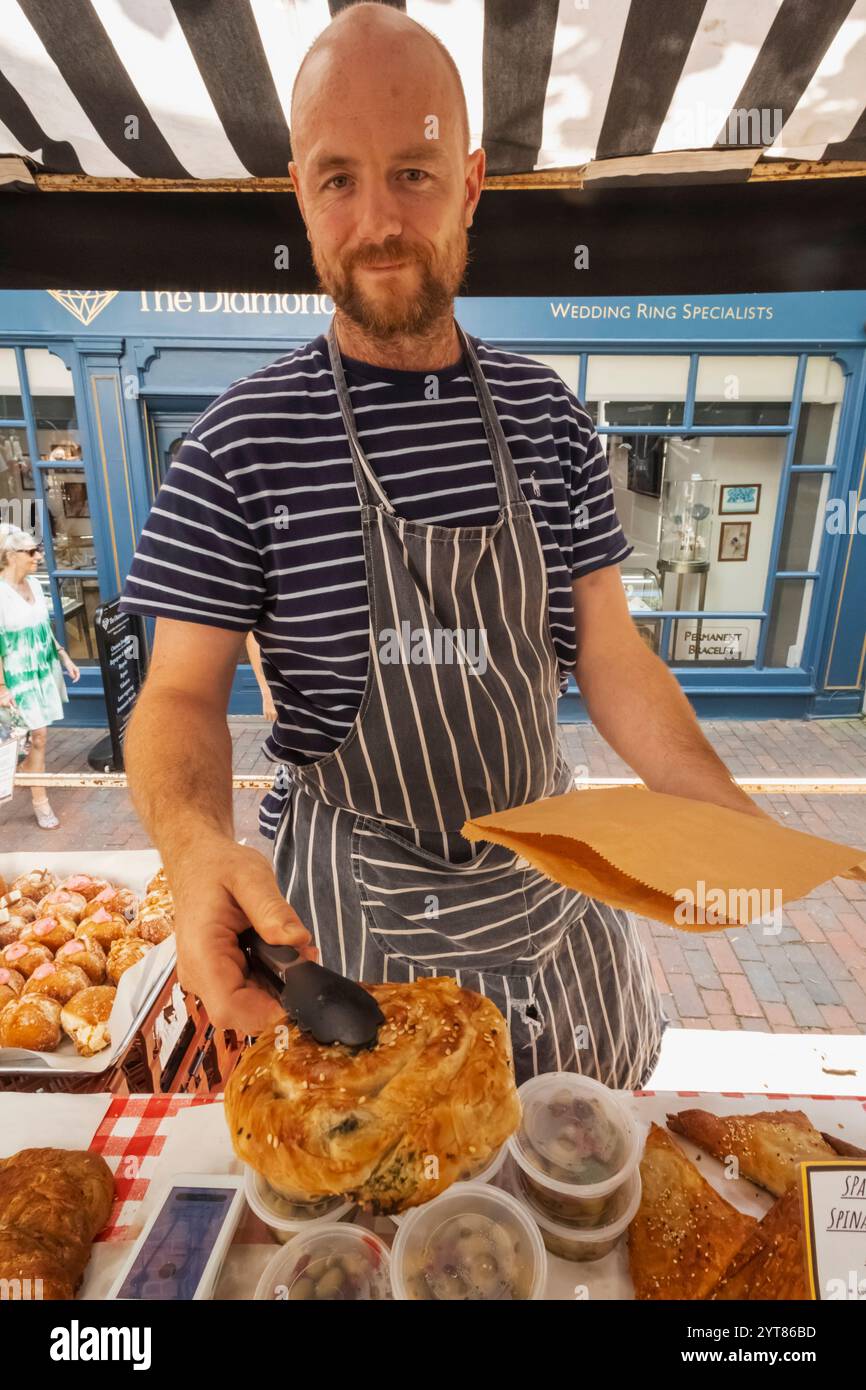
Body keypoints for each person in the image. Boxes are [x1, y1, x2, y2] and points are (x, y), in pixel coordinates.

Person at [120, 4, 768, 1086]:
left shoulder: (549, 418)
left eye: (412, 172)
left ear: (469, 183)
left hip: (543, 907)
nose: (376, 218)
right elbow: (178, 696)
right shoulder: (237, 443)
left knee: (578, 1202)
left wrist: (719, 813)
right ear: (301, 195)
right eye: (338, 178)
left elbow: (608, 655)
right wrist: (194, 849)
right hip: (343, 936)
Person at [0, 525, 80, 828]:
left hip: (42, 669)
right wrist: (2, 687)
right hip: (16, 675)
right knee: (36, 737)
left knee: (37, 739)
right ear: (11, 556)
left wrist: (64, 656)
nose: (38, 556)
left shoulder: (34, 585)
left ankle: (34, 792)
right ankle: (40, 800)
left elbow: (43, 628)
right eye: (31, 552)